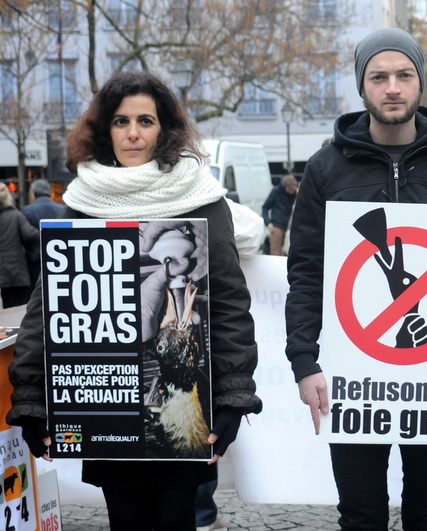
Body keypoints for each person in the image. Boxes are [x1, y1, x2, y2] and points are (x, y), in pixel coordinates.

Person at [6, 70, 262, 531]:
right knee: (123, 518)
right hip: (106, 403)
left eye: (145, 120)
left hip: (182, 400)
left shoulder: (200, 198)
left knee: (175, 518)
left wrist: (234, 392)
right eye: (121, 121)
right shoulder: (84, 201)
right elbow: (47, 306)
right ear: (106, 130)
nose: (133, 133)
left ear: (164, 128)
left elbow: (228, 304)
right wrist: (29, 393)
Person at [285, 28, 427, 530]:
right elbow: (306, 273)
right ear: (362, 87)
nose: (392, 87)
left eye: (404, 75)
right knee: (361, 515)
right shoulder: (325, 170)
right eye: (379, 76)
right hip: (354, 374)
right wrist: (304, 360)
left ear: (420, 83)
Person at [21, 179, 64, 300]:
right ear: (49, 193)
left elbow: (25, 237)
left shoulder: (27, 211)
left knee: (37, 298)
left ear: (33, 194)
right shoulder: (62, 209)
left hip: (35, 262)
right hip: (59, 260)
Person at [0, 182, 39, 308]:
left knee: (6, 307)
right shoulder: (15, 215)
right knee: (19, 309)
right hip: (18, 272)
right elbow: (30, 235)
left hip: (2, 274)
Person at [261, 173, 298, 255]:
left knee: (289, 252)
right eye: (290, 189)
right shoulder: (276, 191)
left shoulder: (295, 194)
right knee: (275, 253)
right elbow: (265, 207)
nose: (291, 191)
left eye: (293, 189)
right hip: (277, 226)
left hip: (290, 226)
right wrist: (268, 222)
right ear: (285, 186)